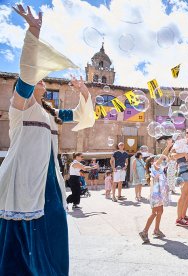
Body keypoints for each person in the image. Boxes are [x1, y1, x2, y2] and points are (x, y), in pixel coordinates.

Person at [0, 5, 94, 275]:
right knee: (20, 239)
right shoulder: (20, 107)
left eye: (43, 79)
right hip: (23, 177)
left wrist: (84, 89)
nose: (40, 80)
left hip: (49, 181)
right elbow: (28, 75)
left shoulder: (52, 114)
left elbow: (82, 115)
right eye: (37, 79)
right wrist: (34, 31)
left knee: (52, 233)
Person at [139, 146, 172, 243]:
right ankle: (144, 232)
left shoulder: (159, 169)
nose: (157, 160)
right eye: (155, 159)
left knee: (160, 211)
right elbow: (162, 157)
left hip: (159, 194)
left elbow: (166, 159)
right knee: (154, 213)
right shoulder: (154, 167)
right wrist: (168, 146)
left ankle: (156, 230)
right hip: (156, 195)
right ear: (152, 163)